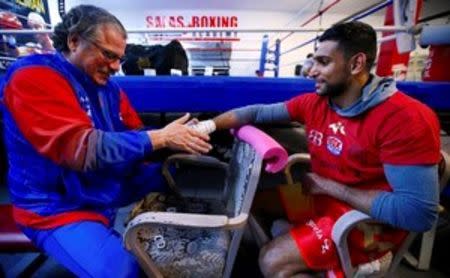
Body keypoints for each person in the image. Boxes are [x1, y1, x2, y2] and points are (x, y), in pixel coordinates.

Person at [192, 21, 441, 276]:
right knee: (247, 206)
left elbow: (417, 214)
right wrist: (205, 126)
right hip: (322, 199)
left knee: (271, 260)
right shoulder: (316, 103)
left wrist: (330, 186)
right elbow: (254, 112)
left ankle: (306, 260)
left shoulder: (404, 118)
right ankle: (308, 258)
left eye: (323, 62)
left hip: (366, 222)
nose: (310, 71)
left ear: (356, 64)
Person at [0, 5, 211, 277]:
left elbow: (135, 134)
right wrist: (161, 137)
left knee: (178, 172)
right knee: (126, 272)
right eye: (108, 55)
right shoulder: (33, 77)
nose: (115, 66)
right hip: (56, 208)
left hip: (98, 189)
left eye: (119, 59)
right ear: (74, 41)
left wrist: (178, 139)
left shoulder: (108, 88)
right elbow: (83, 150)